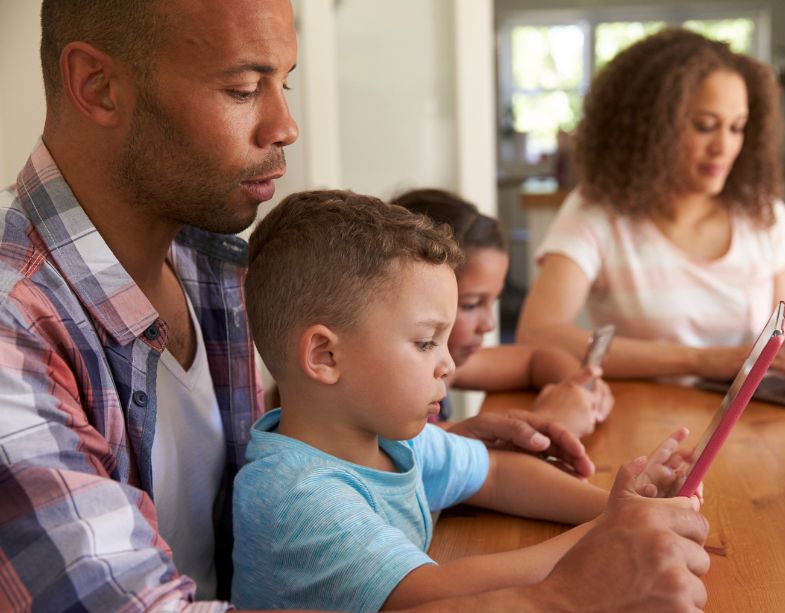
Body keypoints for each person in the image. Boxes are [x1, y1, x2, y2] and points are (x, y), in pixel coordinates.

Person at [0, 1, 710, 610]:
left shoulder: (209, 255)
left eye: (285, 82)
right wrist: (563, 593)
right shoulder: (14, 329)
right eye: (245, 88)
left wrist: (434, 439)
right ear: (97, 85)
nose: (286, 125)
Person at [232, 189, 701, 612]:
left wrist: (615, 506)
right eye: (424, 343)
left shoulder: (387, 440)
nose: (449, 366)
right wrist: (613, 532)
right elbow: (437, 593)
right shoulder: (297, 497)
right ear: (325, 355)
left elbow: (496, 473)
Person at [516, 28, 785, 383]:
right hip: (646, 423)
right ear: (650, 128)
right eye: (705, 126)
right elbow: (537, 334)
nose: (724, 147)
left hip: (755, 423)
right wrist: (699, 360)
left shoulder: (762, 213)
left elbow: (781, 340)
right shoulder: (597, 213)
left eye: (737, 128)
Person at [395, 188, 612, 438]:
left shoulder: (448, 366)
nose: (489, 325)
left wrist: (579, 385)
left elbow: (535, 361)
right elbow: (449, 452)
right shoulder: (401, 396)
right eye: (471, 304)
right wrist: (547, 422)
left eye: (493, 301)